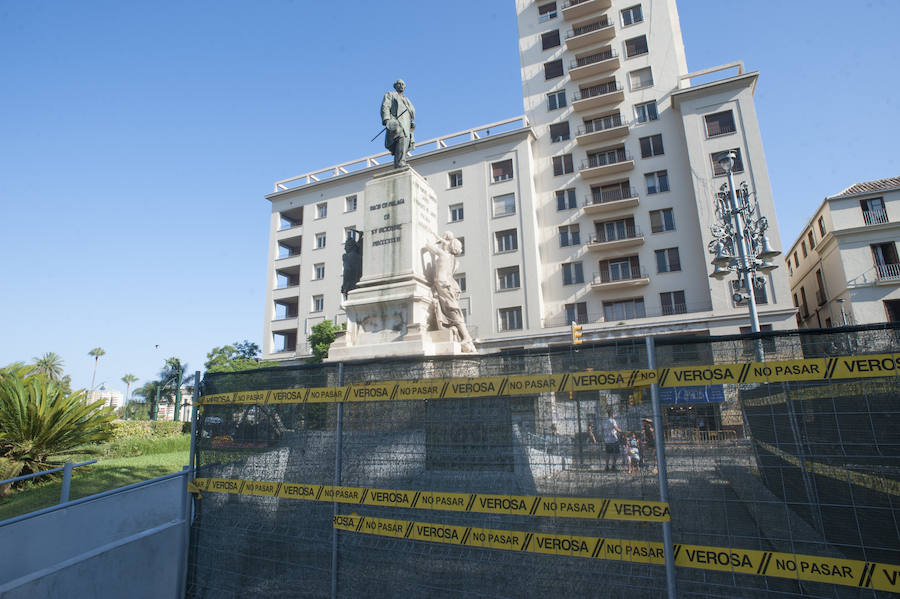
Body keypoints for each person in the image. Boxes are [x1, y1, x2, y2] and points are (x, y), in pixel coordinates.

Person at [423, 232, 475, 352]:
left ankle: (466, 337)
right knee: (453, 309)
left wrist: (435, 239)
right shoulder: (453, 259)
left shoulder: (442, 254)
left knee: (453, 310)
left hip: (442, 284)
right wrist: (443, 240)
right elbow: (446, 247)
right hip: (448, 284)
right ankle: (466, 336)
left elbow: (427, 245)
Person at [380, 79, 415, 168]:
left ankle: (399, 162)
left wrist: (411, 123)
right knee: (401, 139)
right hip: (397, 122)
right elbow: (385, 106)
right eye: (399, 84)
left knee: (405, 142)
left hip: (406, 124)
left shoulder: (406, 100)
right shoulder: (390, 95)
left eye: (403, 84)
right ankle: (400, 163)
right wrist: (387, 120)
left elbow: (411, 113)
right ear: (395, 86)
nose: (402, 86)